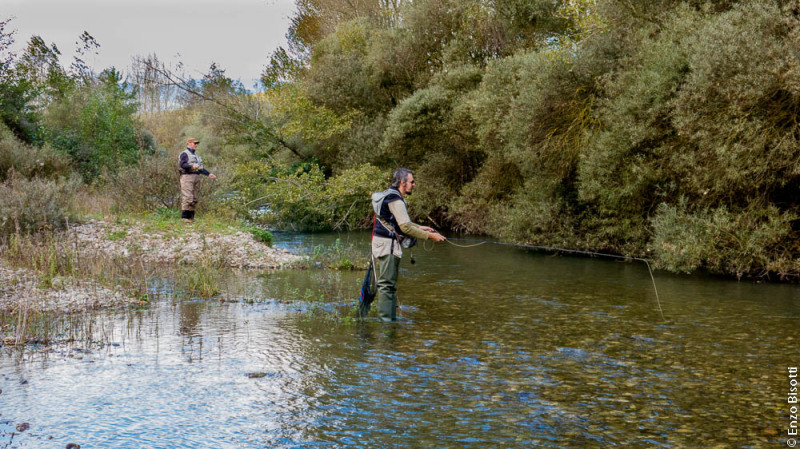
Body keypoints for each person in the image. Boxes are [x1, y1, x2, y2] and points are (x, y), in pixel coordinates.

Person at [368, 168, 446, 322]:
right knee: (386, 285)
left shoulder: (390, 194)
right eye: (412, 181)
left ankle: (389, 320)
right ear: (402, 183)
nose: (414, 184)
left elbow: (400, 221)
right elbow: (405, 227)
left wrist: (421, 227)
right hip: (387, 245)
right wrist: (430, 236)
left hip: (382, 243)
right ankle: (386, 323)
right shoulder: (395, 199)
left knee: (388, 284)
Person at [178, 138, 216, 223]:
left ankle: (191, 218)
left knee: (194, 198)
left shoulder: (197, 156)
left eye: (197, 143)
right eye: (194, 143)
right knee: (188, 197)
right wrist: (191, 166)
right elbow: (182, 164)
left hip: (196, 177)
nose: (196, 145)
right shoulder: (184, 154)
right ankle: (184, 218)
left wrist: (209, 174)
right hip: (187, 177)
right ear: (189, 143)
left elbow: (200, 168)